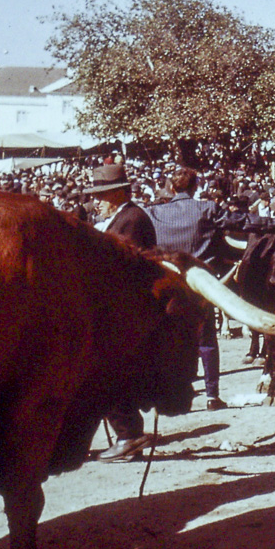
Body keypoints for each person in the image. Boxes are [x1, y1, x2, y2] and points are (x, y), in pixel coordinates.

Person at [84, 164, 159, 463]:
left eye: (101, 194)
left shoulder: (132, 219)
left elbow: (118, 265)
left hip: (125, 311)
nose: (96, 201)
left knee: (109, 374)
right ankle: (127, 437)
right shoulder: (123, 217)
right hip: (118, 309)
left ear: (117, 193)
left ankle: (129, 435)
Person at [147, 166, 228, 411]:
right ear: (196, 187)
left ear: (172, 188)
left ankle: (174, 393)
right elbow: (244, 222)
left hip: (166, 284)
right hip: (199, 283)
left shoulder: (153, 213)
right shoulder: (206, 208)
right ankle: (212, 396)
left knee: (169, 340)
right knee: (206, 340)